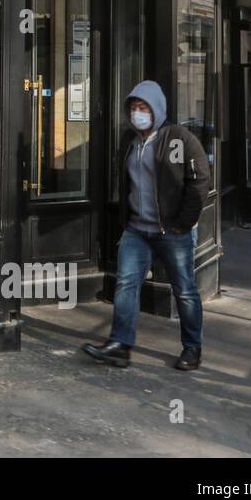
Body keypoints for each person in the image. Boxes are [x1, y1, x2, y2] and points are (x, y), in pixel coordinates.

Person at [83, 80, 212, 371]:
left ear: (156, 109)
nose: (137, 113)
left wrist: (184, 223)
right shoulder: (132, 142)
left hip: (172, 232)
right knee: (126, 285)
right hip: (137, 230)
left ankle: (192, 348)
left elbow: (200, 180)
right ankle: (120, 346)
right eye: (133, 108)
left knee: (184, 290)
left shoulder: (178, 138)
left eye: (143, 107)